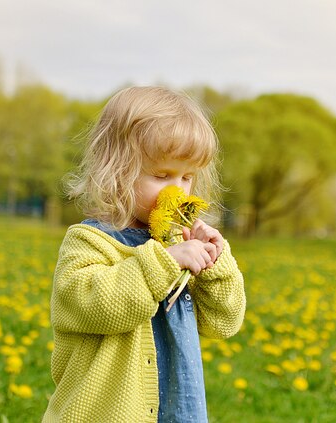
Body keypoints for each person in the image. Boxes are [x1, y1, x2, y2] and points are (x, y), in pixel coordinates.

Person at [42, 86, 246, 422]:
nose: (177, 189)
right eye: (162, 175)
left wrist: (214, 265)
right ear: (116, 171)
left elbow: (224, 322)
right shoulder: (89, 241)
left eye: (187, 177)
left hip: (176, 410)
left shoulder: (177, 242)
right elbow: (94, 305)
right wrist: (165, 262)